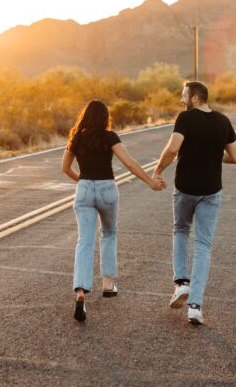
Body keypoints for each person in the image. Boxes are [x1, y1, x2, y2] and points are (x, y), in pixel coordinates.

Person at [61, 99, 165, 322]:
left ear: (85, 115)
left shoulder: (76, 137)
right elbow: (129, 163)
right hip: (108, 188)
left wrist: (83, 182)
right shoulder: (110, 137)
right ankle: (108, 283)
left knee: (84, 240)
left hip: (84, 189)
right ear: (105, 117)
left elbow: (65, 167)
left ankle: (80, 291)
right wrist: (150, 181)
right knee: (108, 233)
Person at [151, 81, 236, 325]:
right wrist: (212, 154)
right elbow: (235, 157)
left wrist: (158, 171)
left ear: (196, 98)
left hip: (185, 189)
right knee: (203, 245)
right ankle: (195, 306)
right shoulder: (223, 121)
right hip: (211, 192)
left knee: (180, 231)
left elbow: (172, 149)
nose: (182, 99)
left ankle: (181, 283)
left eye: (184, 95)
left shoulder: (186, 118)